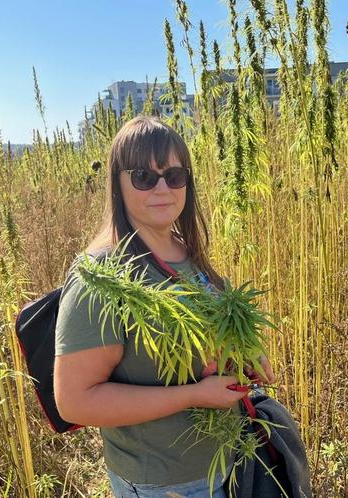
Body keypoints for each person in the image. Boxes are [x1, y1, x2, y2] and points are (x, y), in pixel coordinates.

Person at [53, 116, 276, 497]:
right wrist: (192, 396)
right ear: (117, 183)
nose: (162, 188)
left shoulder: (184, 250)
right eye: (143, 176)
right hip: (166, 484)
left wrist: (244, 353)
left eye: (174, 176)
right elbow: (74, 401)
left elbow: (202, 341)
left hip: (226, 464)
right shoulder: (102, 275)